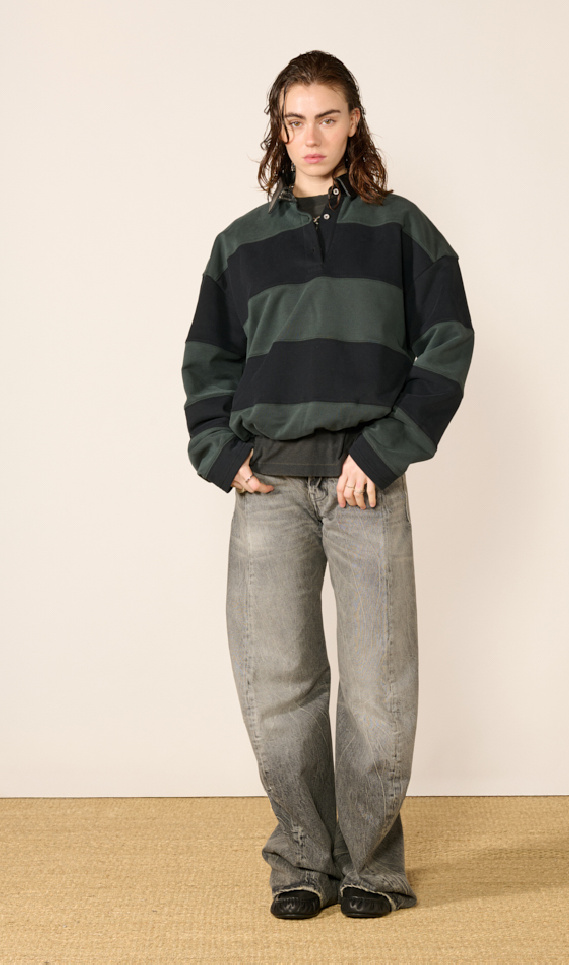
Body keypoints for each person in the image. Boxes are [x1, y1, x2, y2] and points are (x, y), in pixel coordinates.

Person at [181, 50, 474, 920]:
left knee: (380, 687)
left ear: (354, 123)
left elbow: (448, 345)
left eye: (328, 117)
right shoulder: (239, 244)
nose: (311, 136)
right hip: (268, 489)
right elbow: (207, 361)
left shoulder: (403, 230)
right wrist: (220, 453)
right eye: (295, 120)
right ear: (278, 130)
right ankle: (304, 859)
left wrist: (382, 452)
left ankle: (373, 866)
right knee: (279, 685)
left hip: (363, 485)